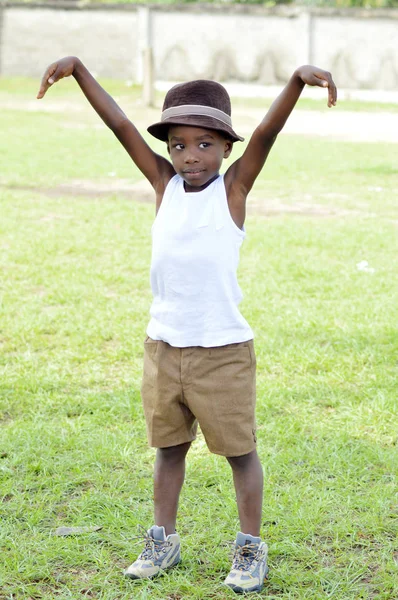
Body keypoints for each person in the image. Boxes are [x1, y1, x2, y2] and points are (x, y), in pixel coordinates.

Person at [37, 57, 336, 594]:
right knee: (168, 449)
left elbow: (268, 132)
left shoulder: (233, 191)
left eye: (204, 144)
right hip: (164, 348)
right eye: (178, 145)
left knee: (240, 454)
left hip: (222, 352)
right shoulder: (163, 184)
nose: (189, 156)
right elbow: (121, 126)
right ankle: (163, 539)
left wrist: (294, 82)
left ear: (226, 148)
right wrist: (80, 72)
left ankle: (249, 549)